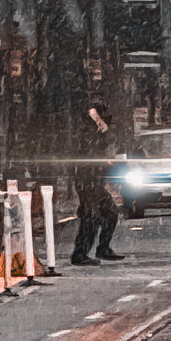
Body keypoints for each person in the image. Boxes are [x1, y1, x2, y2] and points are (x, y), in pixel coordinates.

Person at [69, 99, 122, 264]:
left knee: (110, 212)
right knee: (90, 217)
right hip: (86, 179)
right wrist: (99, 123)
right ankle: (80, 254)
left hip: (93, 179)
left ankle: (103, 248)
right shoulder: (87, 131)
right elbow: (89, 110)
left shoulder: (96, 133)